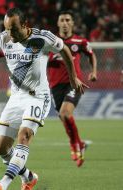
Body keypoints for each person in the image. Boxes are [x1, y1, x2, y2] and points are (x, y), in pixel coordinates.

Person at [0, 7, 87, 190]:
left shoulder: (42, 37)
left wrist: (73, 77)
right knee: (0, 148)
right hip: (16, 98)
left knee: (24, 136)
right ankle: (29, 177)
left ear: (24, 24)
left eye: (13, 29)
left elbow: (65, 51)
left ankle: (3, 184)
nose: (10, 33)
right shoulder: (4, 38)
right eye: (6, 28)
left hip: (38, 97)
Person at [47, 10, 97, 167]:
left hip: (74, 82)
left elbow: (91, 54)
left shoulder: (80, 41)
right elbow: (42, 59)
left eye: (68, 20)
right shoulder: (51, 41)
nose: (65, 23)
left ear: (73, 23)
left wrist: (94, 71)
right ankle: (78, 143)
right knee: (64, 118)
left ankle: (75, 145)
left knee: (65, 113)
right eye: (62, 20)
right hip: (55, 85)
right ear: (58, 23)